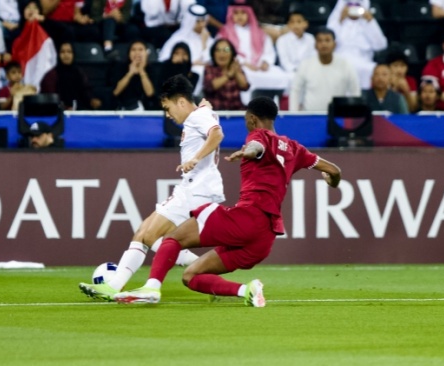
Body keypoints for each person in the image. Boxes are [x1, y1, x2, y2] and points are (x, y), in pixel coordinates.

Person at [112, 96, 342, 306]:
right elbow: (334, 170)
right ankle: (248, 291)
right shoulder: (295, 148)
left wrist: (248, 152)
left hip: (247, 218)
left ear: (252, 119)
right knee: (191, 276)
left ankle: (151, 288)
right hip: (264, 239)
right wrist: (330, 180)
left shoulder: (258, 135)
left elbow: (257, 146)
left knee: (172, 238)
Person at [79, 75, 226, 301]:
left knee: (147, 234)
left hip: (196, 189)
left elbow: (217, 134)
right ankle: (203, 270)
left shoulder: (199, 116)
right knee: (147, 234)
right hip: (192, 188)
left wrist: (195, 158)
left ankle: (116, 286)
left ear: (181, 102)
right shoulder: (200, 113)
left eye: (168, 108)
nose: (168, 114)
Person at [217, 4, 290, 105]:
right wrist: (245, 64)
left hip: (260, 67)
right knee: (246, 77)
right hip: (239, 67)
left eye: (243, 13)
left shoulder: (258, 32)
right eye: (236, 13)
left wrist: (265, 62)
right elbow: (225, 52)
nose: (239, 16)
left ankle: (279, 106)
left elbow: (268, 51)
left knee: (283, 76)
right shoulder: (225, 32)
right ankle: (248, 106)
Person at [289, 28, 360, 112]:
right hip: (310, 117)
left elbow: (355, 91)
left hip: (337, 118)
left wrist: (354, 115)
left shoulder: (346, 65)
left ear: (334, 44)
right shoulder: (305, 65)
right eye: (320, 41)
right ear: (315, 45)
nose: (324, 44)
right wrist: (293, 114)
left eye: (327, 40)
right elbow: (295, 91)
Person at [326, 0, 388, 89]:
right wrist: (340, 19)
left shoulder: (368, 22)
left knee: (373, 71)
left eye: (357, 6)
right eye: (350, 5)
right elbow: (327, 40)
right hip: (339, 60)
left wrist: (370, 20)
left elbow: (381, 45)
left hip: (364, 61)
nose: (354, 9)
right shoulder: (337, 20)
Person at [40, 42, 102, 110]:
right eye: (62, 52)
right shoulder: (52, 75)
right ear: (58, 54)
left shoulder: (78, 72)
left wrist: (91, 100)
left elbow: (85, 91)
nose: (66, 55)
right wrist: (64, 108)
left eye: (69, 52)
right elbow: (50, 99)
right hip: (58, 113)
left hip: (78, 111)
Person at [202, 38, 250, 110]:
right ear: (213, 54)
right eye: (218, 50)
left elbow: (245, 86)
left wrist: (236, 71)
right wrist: (229, 75)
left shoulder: (236, 68)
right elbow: (211, 87)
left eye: (226, 50)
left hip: (236, 112)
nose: (222, 54)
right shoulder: (209, 68)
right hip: (216, 112)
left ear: (232, 53)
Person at [111, 39, 158, 110]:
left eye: (140, 50)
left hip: (147, 109)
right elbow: (116, 92)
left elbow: (150, 93)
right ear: (129, 53)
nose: (137, 53)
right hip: (124, 108)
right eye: (133, 50)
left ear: (146, 53)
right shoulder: (120, 67)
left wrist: (142, 71)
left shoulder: (151, 69)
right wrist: (130, 73)